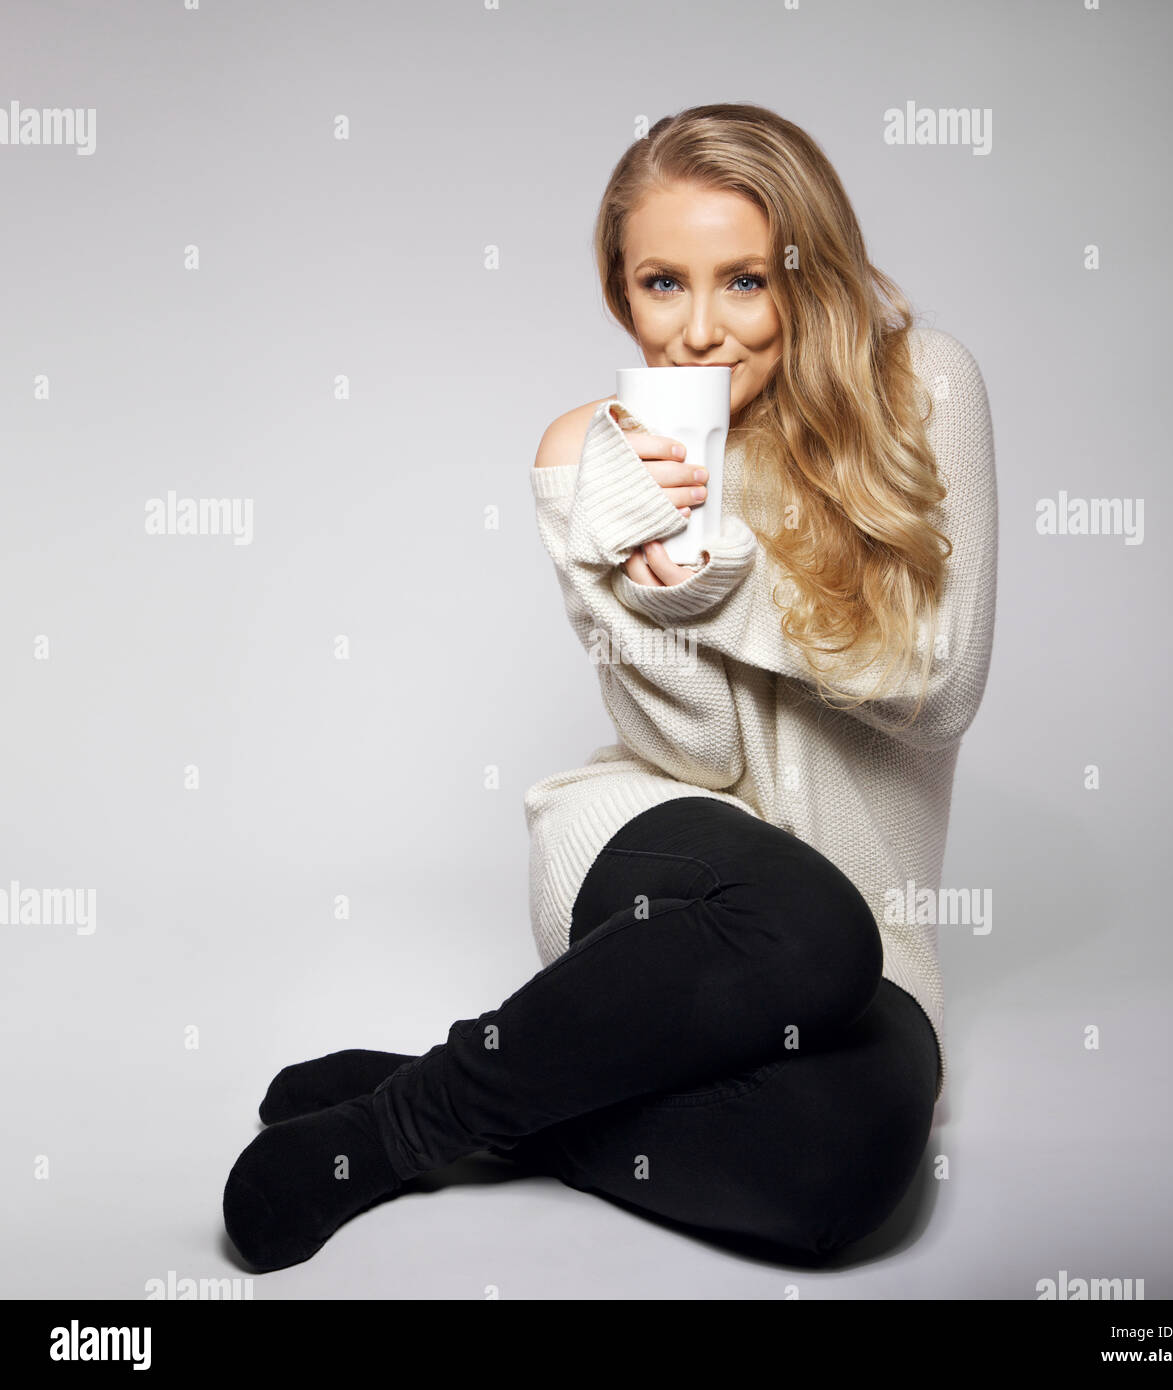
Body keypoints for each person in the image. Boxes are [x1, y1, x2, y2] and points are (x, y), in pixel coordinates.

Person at [222, 101, 998, 1272]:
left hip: (859, 947)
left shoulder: (922, 389)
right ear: (619, 294)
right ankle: (410, 1127)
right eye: (659, 285)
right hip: (647, 857)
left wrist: (711, 586)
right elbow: (696, 755)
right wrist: (629, 553)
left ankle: (503, 1096)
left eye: (742, 281)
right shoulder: (608, 454)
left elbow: (936, 686)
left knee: (842, 1167)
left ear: (809, 271)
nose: (699, 333)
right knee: (799, 920)